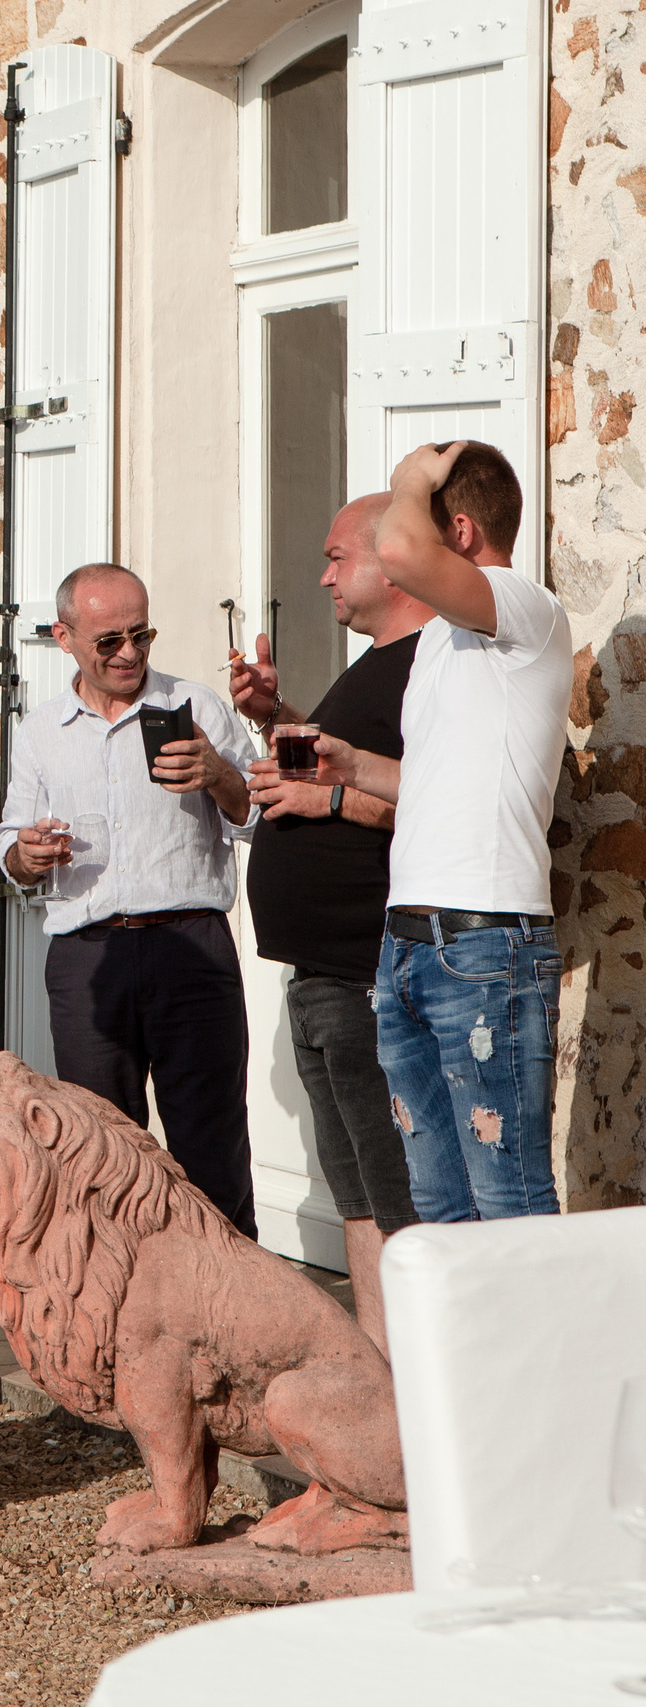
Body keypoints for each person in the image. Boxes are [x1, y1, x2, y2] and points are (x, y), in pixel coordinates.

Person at [311, 442, 572, 1222]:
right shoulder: (437, 641)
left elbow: (395, 547)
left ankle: (538, 1352)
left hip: (487, 943)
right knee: (435, 1205)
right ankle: (461, 1353)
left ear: (456, 530)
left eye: (415, 518)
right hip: (409, 946)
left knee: (509, 1196)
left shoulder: (525, 606)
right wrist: (354, 765)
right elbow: (433, 780)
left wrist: (412, 471)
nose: (396, 555)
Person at [0, 563, 263, 1238]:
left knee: (211, 1153)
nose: (128, 653)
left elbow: (253, 815)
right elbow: (10, 852)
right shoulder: (40, 732)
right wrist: (26, 856)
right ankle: (122, 1320)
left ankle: (230, 1325)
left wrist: (218, 772)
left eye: (140, 635)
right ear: (64, 636)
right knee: (99, 1153)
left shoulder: (195, 706)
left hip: (190, 950)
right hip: (88, 958)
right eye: (108, 640)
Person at [230, 495, 429, 1349]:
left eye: (337, 556)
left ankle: (422, 1409)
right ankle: (386, 1401)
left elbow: (435, 804)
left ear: (392, 562)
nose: (323, 575)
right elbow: (343, 775)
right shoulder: (373, 665)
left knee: (397, 1199)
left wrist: (331, 797)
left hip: (368, 972)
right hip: (320, 975)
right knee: (354, 1196)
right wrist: (277, 717)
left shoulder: (436, 664)